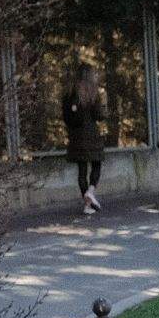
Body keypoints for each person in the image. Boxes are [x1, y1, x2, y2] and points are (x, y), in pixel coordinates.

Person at [61, 64, 105, 216]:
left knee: (82, 170)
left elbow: (65, 115)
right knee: (97, 164)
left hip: (76, 136)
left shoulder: (70, 92)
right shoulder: (93, 92)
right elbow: (99, 115)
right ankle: (91, 191)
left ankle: (87, 205)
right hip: (91, 135)